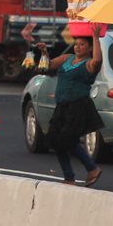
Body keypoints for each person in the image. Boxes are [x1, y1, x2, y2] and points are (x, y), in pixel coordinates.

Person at [38, 35, 104, 187]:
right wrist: (44, 52)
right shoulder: (67, 58)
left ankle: (92, 168)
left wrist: (95, 37)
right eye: (76, 44)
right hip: (62, 107)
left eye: (82, 44)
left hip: (78, 107)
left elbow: (97, 61)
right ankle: (69, 177)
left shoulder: (88, 64)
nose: (78, 47)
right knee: (55, 140)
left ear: (89, 48)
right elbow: (48, 66)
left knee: (67, 139)